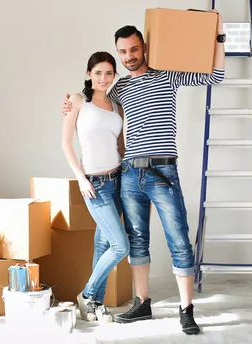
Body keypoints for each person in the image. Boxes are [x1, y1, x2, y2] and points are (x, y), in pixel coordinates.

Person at [61, 10, 225, 335]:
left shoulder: (168, 75)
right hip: (128, 177)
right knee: (137, 242)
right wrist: (73, 101)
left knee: (179, 240)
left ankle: (186, 310)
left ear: (144, 47)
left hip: (163, 173)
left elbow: (215, 77)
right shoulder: (117, 88)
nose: (129, 57)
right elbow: (91, 97)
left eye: (133, 50)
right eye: (123, 52)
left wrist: (219, 36)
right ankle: (142, 304)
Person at [61, 51, 130, 324]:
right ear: (89, 73)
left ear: (114, 76)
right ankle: (88, 294)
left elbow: (121, 147)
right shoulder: (78, 101)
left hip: (118, 181)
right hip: (95, 184)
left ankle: (95, 305)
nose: (104, 78)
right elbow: (66, 143)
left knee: (103, 245)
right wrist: (80, 177)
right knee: (120, 245)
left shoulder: (117, 106)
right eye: (98, 72)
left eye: (109, 73)